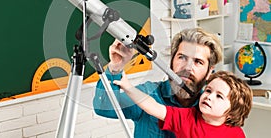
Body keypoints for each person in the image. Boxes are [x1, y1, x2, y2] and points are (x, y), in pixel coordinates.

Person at [93, 27, 223, 137]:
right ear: (171, 61)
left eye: (198, 62)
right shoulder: (148, 93)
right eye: (182, 57)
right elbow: (103, 107)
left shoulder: (214, 106)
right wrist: (115, 67)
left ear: (209, 71)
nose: (187, 68)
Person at [114, 70, 253, 138]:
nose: (209, 97)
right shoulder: (187, 117)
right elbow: (154, 107)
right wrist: (129, 88)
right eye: (208, 90)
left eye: (219, 96)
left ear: (233, 109)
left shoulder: (236, 134)